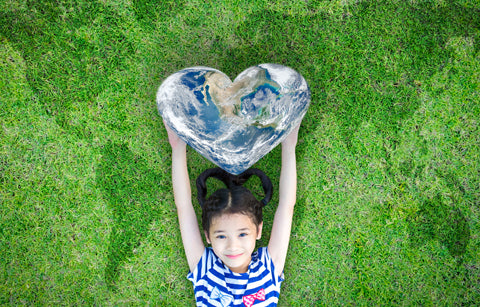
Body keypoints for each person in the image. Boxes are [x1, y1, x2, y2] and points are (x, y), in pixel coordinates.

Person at [165, 121, 300, 307]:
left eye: (243, 233)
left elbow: (287, 207)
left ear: (258, 230)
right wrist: (177, 146)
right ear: (208, 236)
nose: (232, 245)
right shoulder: (206, 268)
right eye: (221, 235)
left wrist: (289, 143)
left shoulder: (268, 268)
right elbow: (184, 207)